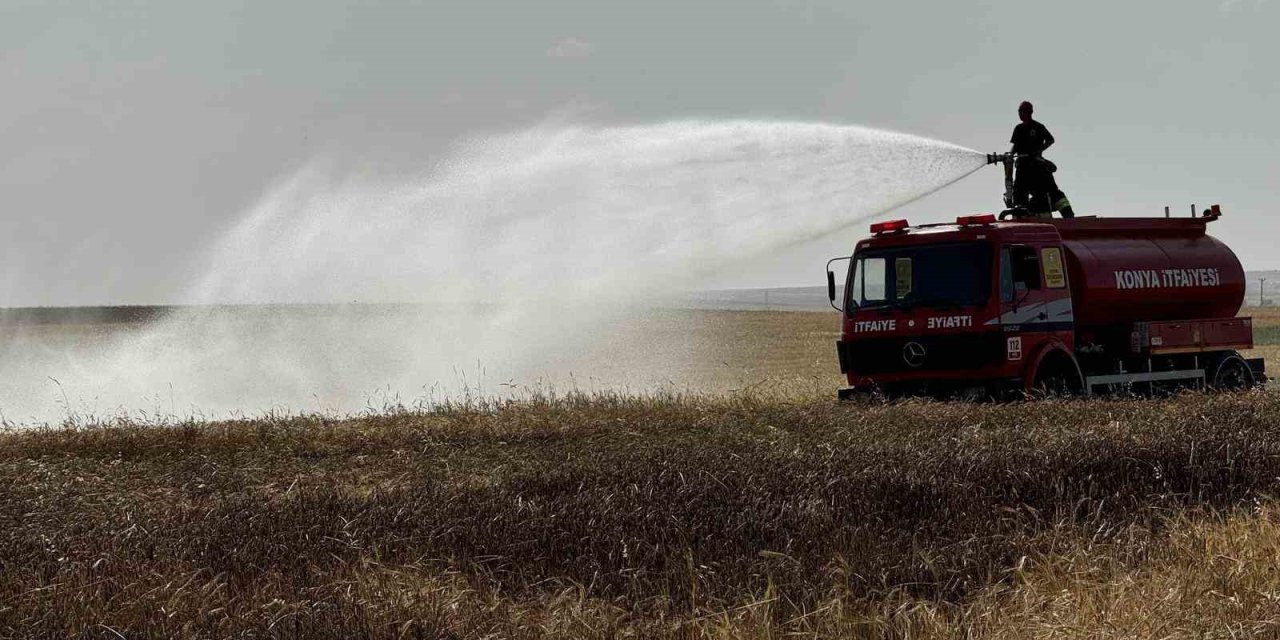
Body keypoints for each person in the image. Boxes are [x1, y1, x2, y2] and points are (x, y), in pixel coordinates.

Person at [1009, 101, 1075, 218]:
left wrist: (1038, 151)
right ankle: (1020, 215)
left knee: (1043, 191)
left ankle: (1067, 216)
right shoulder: (1019, 128)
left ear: (1029, 112)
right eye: (1019, 111)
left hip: (1035, 164)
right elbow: (1014, 146)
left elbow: (1050, 140)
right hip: (1023, 165)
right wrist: (1009, 155)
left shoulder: (1038, 127)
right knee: (1020, 193)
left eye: (1022, 111)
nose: (1020, 114)